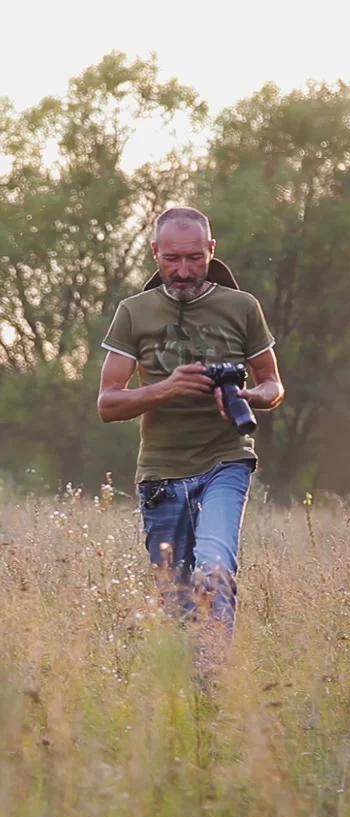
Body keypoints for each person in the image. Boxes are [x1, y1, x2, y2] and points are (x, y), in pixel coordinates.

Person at [97, 206, 284, 634]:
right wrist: (169, 387)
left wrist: (249, 395)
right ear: (154, 252)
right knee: (177, 602)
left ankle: (216, 684)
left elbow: (273, 384)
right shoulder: (133, 312)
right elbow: (108, 404)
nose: (183, 271)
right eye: (172, 259)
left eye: (195, 258)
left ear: (211, 250)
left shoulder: (242, 307)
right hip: (161, 472)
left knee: (214, 569)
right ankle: (187, 692)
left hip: (226, 459)